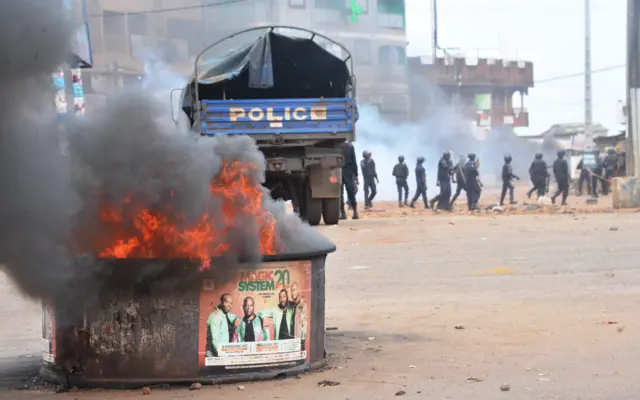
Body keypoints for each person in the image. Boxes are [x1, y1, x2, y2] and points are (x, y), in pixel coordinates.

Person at [338, 141, 359, 220]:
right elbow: (354, 161)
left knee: (340, 193)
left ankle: (343, 213)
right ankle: (355, 212)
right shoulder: (350, 146)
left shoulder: (335, 145)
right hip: (349, 171)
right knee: (351, 192)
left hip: (338, 170)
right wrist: (356, 174)